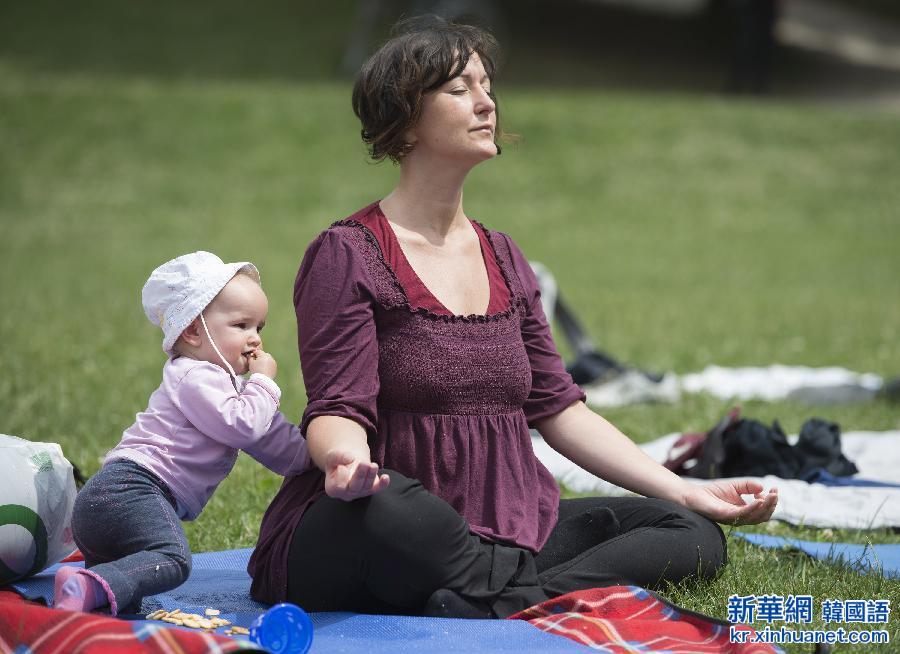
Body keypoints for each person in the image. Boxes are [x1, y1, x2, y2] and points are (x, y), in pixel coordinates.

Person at [249, 17, 778, 619]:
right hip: (379, 524)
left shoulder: (503, 255)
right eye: (458, 89)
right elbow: (336, 408)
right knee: (393, 507)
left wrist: (684, 487)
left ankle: (494, 596)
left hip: (507, 523)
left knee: (687, 533)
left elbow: (558, 407)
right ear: (405, 116)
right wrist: (345, 461)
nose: (486, 102)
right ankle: (514, 589)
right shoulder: (349, 253)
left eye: (487, 85)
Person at [53, 251, 311, 614]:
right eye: (242, 326)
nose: (255, 340)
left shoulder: (227, 389)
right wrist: (264, 382)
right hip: (132, 490)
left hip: (108, 503)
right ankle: (91, 585)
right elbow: (245, 424)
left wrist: (315, 454)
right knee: (172, 558)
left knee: (117, 606)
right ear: (192, 330)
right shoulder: (193, 376)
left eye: (259, 328)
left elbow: (268, 437)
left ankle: (84, 592)